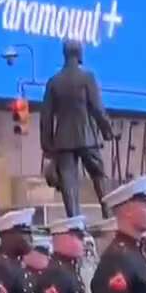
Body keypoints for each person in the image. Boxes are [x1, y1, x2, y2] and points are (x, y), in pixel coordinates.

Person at [40, 39, 113, 217]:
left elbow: (46, 118)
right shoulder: (87, 77)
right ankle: (108, 213)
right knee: (98, 175)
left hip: (63, 141)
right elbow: (97, 107)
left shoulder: (53, 82)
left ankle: (74, 220)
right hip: (87, 137)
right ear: (79, 55)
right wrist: (107, 129)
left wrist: (48, 147)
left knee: (69, 183)